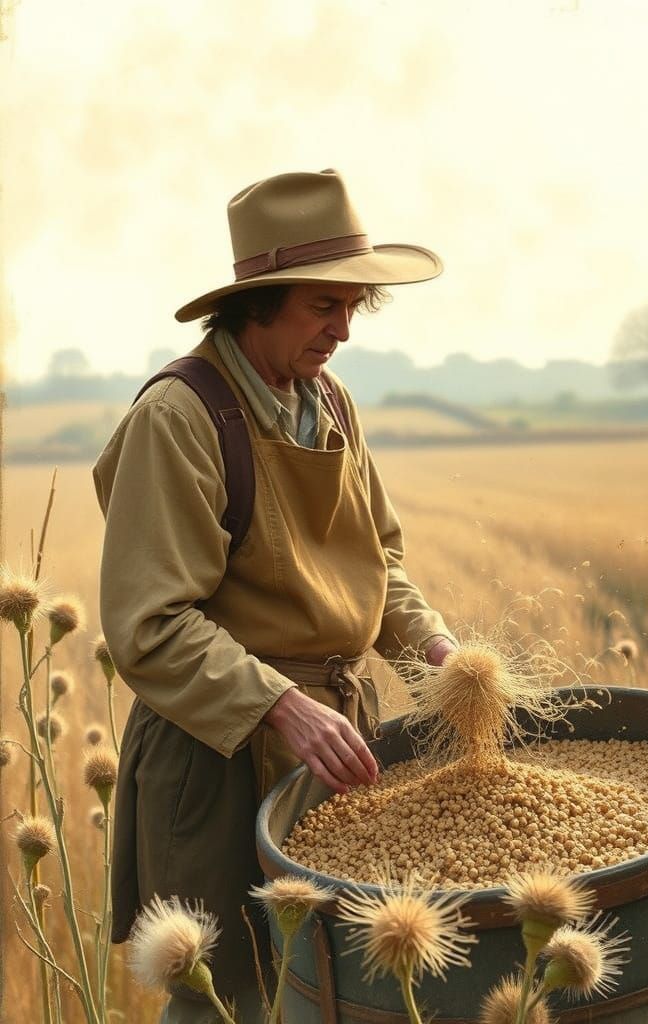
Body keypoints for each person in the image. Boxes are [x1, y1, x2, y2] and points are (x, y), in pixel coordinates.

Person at [92, 168, 458, 1022]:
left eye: (353, 307)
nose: (343, 330)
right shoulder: (180, 418)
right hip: (217, 755)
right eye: (323, 306)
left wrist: (437, 652)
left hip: (335, 738)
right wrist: (282, 707)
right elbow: (151, 624)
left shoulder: (329, 401)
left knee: (339, 990)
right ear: (258, 303)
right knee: (231, 998)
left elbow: (380, 560)